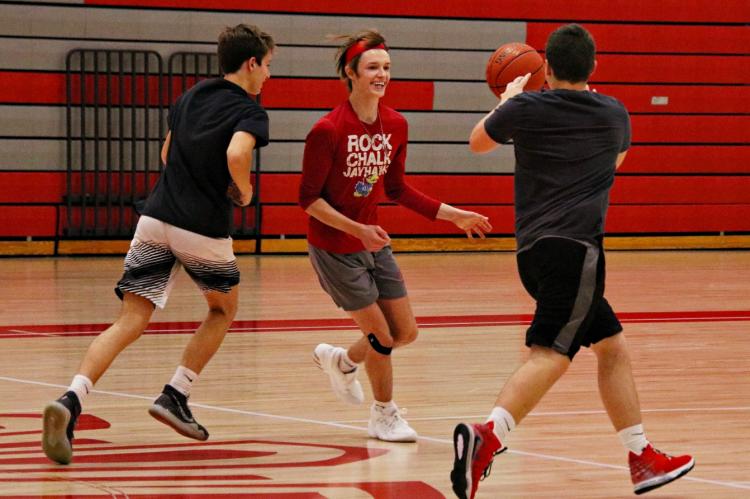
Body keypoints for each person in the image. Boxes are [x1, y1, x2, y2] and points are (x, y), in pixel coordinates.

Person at [450, 24, 694, 498]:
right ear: (594, 67)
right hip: (577, 249)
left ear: (547, 68)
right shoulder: (614, 112)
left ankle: (642, 457)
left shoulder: (525, 106)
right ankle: (487, 436)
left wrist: (509, 98)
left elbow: (477, 142)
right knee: (551, 354)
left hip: (531, 254)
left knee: (612, 346)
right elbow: (614, 164)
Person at [41, 24, 274, 465]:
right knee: (222, 310)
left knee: (131, 317)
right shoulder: (250, 110)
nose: (268, 76)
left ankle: (71, 400)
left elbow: (167, 155)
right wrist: (243, 190)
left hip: (154, 218)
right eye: (268, 67)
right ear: (251, 64)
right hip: (201, 228)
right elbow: (237, 155)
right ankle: (175, 394)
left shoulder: (191, 96)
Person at [299, 30, 492, 443]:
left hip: (372, 241)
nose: (381, 74)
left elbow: (397, 189)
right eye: (372, 67)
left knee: (405, 332)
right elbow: (309, 200)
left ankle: (344, 361)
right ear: (350, 73)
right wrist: (357, 229)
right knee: (382, 337)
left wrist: (453, 216)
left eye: (386, 67)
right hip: (334, 245)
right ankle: (383, 415)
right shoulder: (327, 130)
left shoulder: (397, 124)